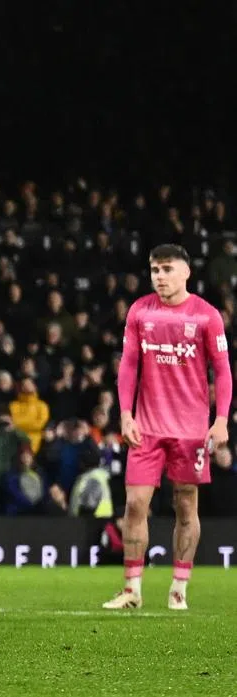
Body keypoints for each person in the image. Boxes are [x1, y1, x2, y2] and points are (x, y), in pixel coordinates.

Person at [104, 244, 231, 610]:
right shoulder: (140, 311)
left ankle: (179, 586)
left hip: (190, 430)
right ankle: (132, 588)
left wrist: (220, 420)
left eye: (166, 269)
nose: (159, 276)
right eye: (154, 270)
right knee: (134, 504)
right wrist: (126, 414)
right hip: (146, 427)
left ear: (186, 272)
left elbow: (222, 371)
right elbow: (128, 365)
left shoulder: (206, 316)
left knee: (186, 506)